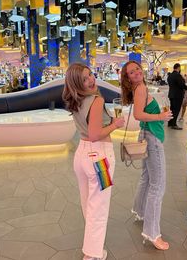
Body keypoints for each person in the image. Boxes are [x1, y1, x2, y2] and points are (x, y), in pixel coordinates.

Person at [62, 63, 124, 260]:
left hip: (82, 156)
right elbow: (96, 134)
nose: (91, 80)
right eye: (85, 79)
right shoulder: (96, 100)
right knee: (99, 205)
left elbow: (89, 131)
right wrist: (115, 124)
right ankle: (93, 254)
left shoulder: (76, 100)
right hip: (100, 158)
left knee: (88, 203)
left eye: (90, 75)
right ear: (77, 84)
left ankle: (92, 247)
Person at [120, 60, 173, 251]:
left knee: (147, 178)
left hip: (146, 136)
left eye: (137, 69)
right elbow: (138, 115)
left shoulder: (138, 88)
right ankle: (152, 233)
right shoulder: (140, 88)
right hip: (151, 139)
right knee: (157, 186)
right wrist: (160, 117)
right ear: (127, 78)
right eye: (131, 73)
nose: (136, 73)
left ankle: (140, 212)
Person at [167, 63, 187, 130]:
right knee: (176, 110)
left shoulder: (170, 75)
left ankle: (170, 123)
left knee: (172, 109)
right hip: (177, 95)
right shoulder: (178, 75)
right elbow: (182, 84)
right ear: (178, 68)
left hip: (171, 94)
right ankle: (174, 124)